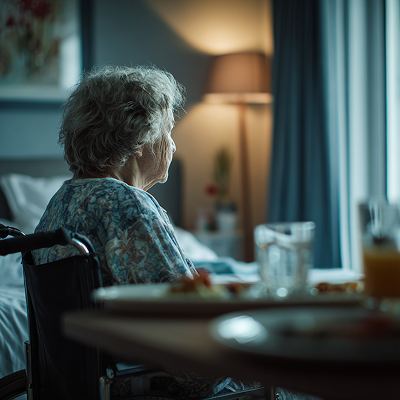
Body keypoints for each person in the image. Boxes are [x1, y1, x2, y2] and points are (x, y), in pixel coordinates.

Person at [32, 65, 259, 399]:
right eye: (168, 130)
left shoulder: (60, 204)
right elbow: (191, 353)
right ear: (139, 139)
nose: (173, 145)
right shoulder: (128, 207)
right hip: (149, 388)